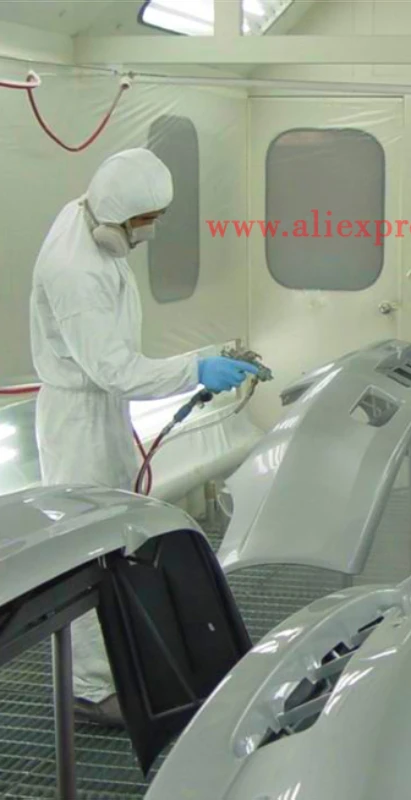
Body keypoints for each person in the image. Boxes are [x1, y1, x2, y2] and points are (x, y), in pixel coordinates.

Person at [29, 148, 259, 726]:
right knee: (86, 550)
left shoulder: (90, 220)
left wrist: (204, 357)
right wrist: (198, 367)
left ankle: (118, 663)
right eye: (146, 221)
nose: (151, 230)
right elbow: (115, 370)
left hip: (100, 409)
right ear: (116, 219)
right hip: (80, 419)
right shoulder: (76, 271)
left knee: (112, 538)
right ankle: (87, 690)